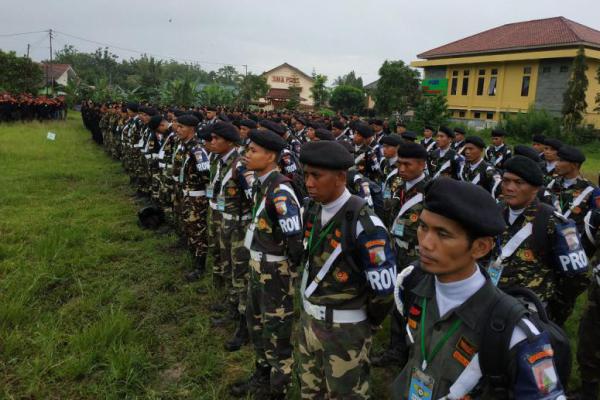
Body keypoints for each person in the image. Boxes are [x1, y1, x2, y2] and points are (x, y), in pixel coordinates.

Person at [392, 177, 566, 399]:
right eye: (423, 227)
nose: (425, 243)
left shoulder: (514, 332)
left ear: (480, 247)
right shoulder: (410, 283)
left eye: (443, 234)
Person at [297, 140, 396, 399]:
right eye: (306, 174)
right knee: (311, 391)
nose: (309, 182)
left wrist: (363, 323)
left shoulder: (366, 225)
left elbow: (384, 292)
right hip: (310, 321)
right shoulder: (313, 209)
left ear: (341, 177)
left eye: (316, 176)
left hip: (345, 331)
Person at [230, 129, 303, 399]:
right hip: (258, 264)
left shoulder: (280, 189)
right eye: (248, 150)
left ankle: (278, 388)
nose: (247, 155)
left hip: (275, 270)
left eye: (253, 151)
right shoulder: (263, 183)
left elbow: (295, 239)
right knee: (256, 321)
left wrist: (287, 270)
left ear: (270, 156)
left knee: (277, 330)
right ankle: (261, 374)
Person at [491, 156, 586, 320]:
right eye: (506, 181)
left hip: (529, 312)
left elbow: (576, 278)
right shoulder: (496, 212)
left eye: (519, 183)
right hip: (493, 301)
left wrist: (553, 314)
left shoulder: (553, 223)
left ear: (535, 188)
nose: (509, 188)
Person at [373, 142, 429, 368]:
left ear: (422, 165)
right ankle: (396, 350)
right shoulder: (399, 185)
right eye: (400, 164)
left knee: (416, 307)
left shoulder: (430, 191)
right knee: (397, 301)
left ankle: (414, 355)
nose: (402, 168)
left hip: (417, 256)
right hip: (396, 250)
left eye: (408, 164)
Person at [173, 114, 210, 277]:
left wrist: (205, 199)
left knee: (197, 231)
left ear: (192, 129)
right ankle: (193, 257)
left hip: (196, 197)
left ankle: (200, 267)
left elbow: (206, 176)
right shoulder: (183, 146)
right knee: (188, 227)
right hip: (185, 194)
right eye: (177, 126)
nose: (177, 129)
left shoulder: (198, 150)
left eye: (182, 127)